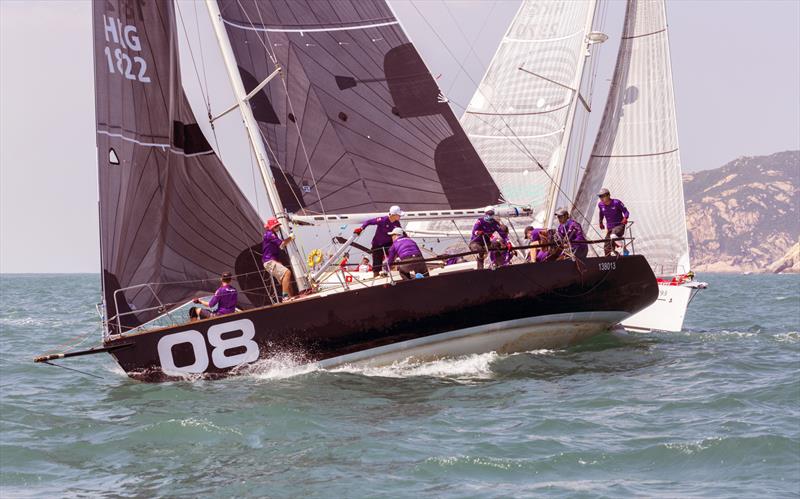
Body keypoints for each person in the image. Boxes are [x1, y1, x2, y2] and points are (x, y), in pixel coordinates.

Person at [354, 205, 403, 277]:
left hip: (388, 244)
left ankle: (393, 272)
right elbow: (368, 222)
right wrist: (361, 228)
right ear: (394, 215)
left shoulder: (397, 223)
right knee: (377, 264)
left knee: (395, 254)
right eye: (399, 215)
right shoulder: (382, 220)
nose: (400, 216)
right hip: (377, 244)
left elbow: (401, 232)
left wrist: (407, 237)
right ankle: (376, 277)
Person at [262, 217, 294, 300]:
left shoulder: (272, 234)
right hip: (269, 261)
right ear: (272, 227)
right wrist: (291, 237)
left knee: (285, 279)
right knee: (287, 273)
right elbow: (282, 244)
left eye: (278, 226)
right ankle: (285, 297)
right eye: (276, 226)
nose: (278, 227)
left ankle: (290, 298)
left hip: (272, 261)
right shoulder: (270, 234)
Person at [597, 187, 630, 256]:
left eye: (603, 196)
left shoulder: (616, 202)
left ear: (608, 195)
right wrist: (600, 222)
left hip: (619, 226)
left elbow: (626, 212)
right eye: (600, 196)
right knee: (606, 247)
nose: (601, 198)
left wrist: (625, 218)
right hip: (610, 228)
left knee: (613, 235)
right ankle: (611, 259)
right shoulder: (600, 204)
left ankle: (624, 248)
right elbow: (601, 213)